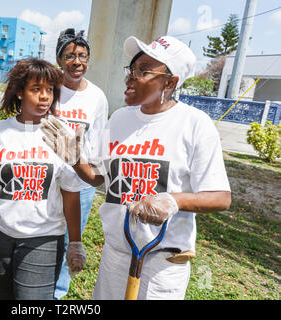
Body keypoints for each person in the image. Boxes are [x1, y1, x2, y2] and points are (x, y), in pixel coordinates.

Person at [41, 35, 231, 300]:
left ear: (171, 82)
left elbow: (220, 197)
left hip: (161, 266)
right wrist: (75, 158)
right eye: (131, 69)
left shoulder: (195, 124)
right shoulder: (119, 118)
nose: (131, 77)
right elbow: (98, 177)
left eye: (143, 71)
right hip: (115, 257)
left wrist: (173, 201)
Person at [0, 57, 86, 300]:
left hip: (42, 238)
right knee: (5, 296)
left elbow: (70, 192)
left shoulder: (61, 133)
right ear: (20, 93)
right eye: (36, 89)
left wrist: (75, 243)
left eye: (50, 90)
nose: (45, 96)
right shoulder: (0, 131)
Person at [53, 28, 109, 300]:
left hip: (80, 182)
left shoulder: (97, 97)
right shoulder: (48, 88)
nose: (77, 62)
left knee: (69, 239)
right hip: (45, 179)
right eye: (70, 56)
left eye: (83, 56)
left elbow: (98, 143)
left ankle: (58, 293)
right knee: (42, 233)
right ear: (59, 59)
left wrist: (92, 176)